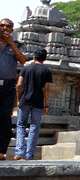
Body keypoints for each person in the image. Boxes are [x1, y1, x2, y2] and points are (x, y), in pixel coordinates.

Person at [15, 48, 52, 160]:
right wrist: (46, 105)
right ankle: (29, 154)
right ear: (44, 59)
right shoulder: (46, 71)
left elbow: (19, 84)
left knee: (21, 125)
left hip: (25, 101)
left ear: (34, 57)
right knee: (34, 127)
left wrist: (19, 98)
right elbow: (46, 90)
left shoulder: (26, 68)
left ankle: (19, 152)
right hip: (38, 102)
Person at [0, 18, 27, 160]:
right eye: (1, 25)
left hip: (8, 85)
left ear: (12, 29)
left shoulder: (16, 45)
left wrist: (11, 42)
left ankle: (1, 150)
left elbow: (24, 61)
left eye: (7, 26)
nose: (4, 28)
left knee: (5, 117)